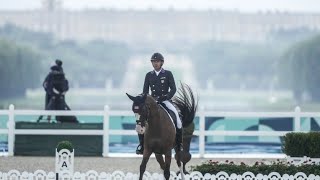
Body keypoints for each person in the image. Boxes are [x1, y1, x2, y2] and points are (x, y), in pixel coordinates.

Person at [135, 52, 183, 155]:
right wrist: (145, 100)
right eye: (153, 62)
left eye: (157, 61)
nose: (155, 63)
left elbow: (173, 89)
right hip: (152, 102)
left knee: (178, 120)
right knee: (141, 121)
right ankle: (142, 145)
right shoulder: (149, 75)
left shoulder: (167, 74)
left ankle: (179, 145)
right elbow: (145, 91)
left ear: (162, 63)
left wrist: (165, 97)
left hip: (165, 100)